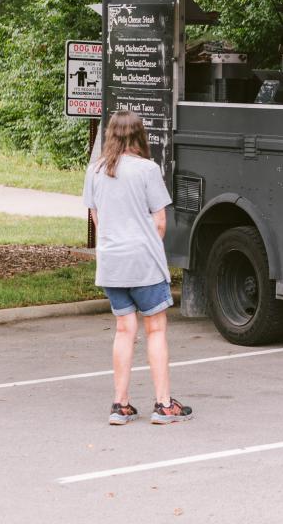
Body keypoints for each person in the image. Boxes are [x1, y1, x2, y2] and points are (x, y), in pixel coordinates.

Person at [83, 110, 192, 425]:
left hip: (112, 264)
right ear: (139, 136)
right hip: (143, 262)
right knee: (155, 329)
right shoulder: (147, 170)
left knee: (123, 330)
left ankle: (120, 404)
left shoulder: (95, 171)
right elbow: (160, 223)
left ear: (110, 135)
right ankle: (163, 404)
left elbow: (97, 219)